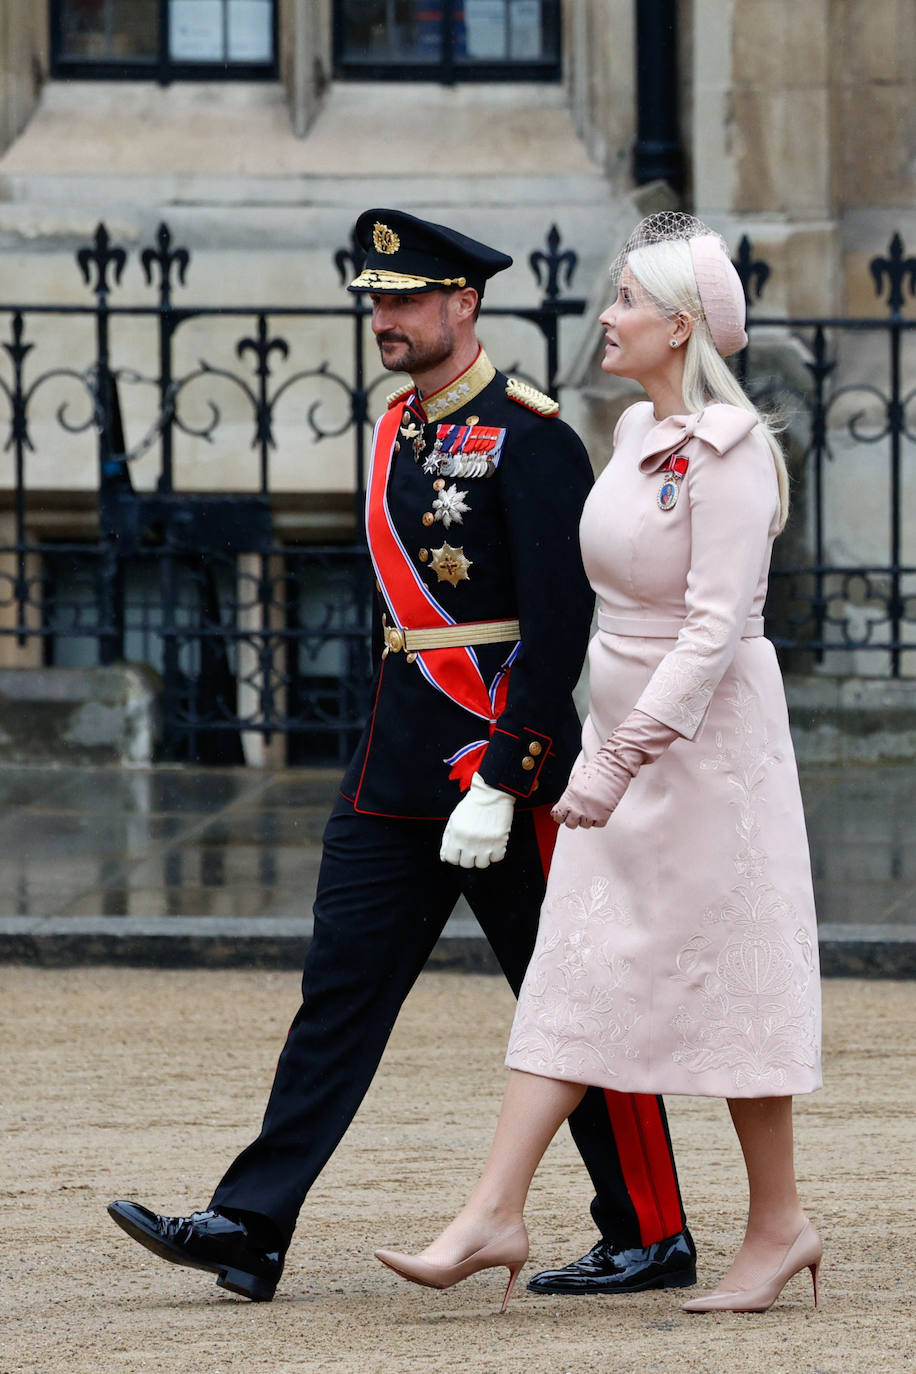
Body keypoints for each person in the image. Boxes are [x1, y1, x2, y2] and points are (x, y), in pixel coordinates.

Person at [107, 209, 696, 1303]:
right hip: (393, 768)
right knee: (337, 994)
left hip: (502, 772)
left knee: (570, 1000)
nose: (383, 318)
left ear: (461, 305)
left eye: (403, 300)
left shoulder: (533, 437)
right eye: (375, 299)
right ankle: (250, 1224)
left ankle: (651, 1231)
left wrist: (505, 772)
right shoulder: (396, 429)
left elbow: (556, 627)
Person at [374, 211, 824, 1317]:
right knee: (574, 968)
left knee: (733, 982)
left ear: (678, 328)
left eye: (625, 301)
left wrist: (613, 760)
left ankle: (777, 1228)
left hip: (702, 754)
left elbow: (713, 635)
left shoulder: (730, 455)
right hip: (619, 745)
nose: (606, 317)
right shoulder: (632, 437)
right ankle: (495, 1209)